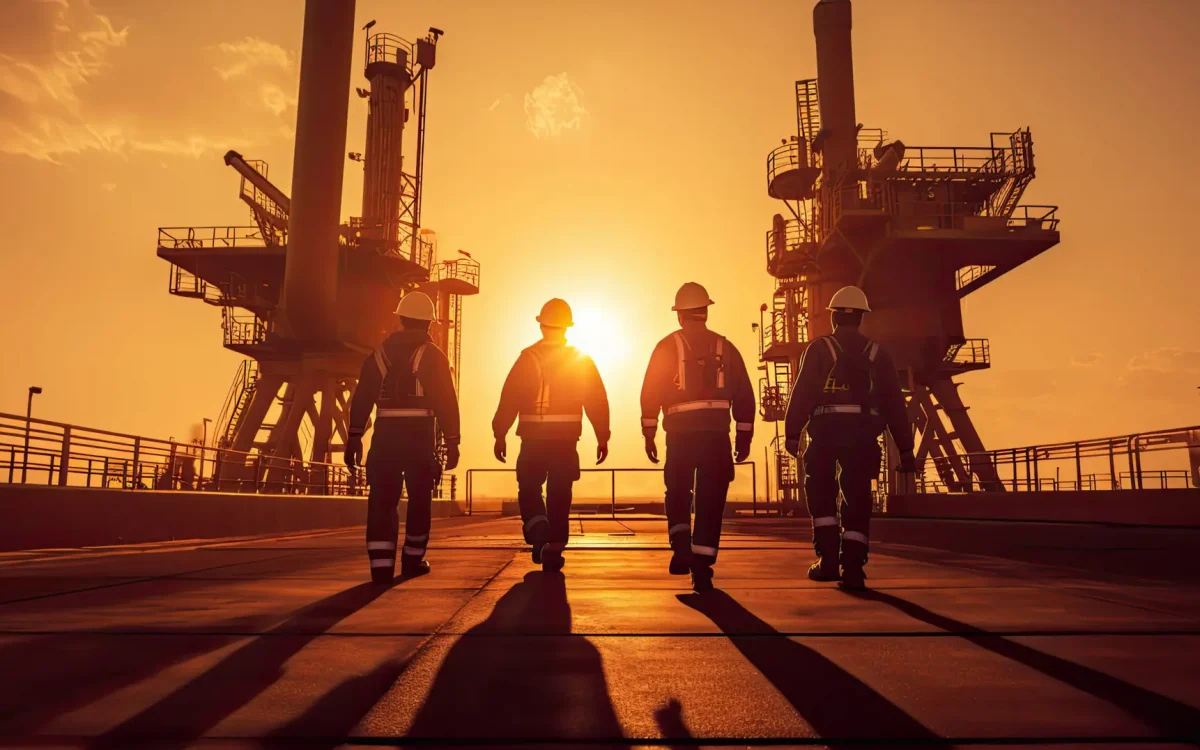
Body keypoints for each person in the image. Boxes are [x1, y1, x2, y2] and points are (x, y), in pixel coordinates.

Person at [783, 285, 914, 590]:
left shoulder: (819, 349)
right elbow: (894, 404)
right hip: (863, 435)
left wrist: (793, 434)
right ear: (861, 317)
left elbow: (803, 392)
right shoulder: (878, 355)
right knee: (857, 497)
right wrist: (906, 449)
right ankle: (853, 567)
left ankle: (828, 561)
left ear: (833, 317)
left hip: (825, 433)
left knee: (821, 494)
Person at [640, 282, 755, 592]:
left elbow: (650, 391)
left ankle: (680, 548)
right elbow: (744, 395)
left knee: (678, 491)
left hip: (679, 437)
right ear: (705, 311)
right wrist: (744, 437)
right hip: (716, 437)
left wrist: (649, 432)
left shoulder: (666, 347)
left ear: (680, 315)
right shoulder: (726, 348)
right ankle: (702, 568)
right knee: (711, 499)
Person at [346, 292, 461, 583]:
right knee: (420, 499)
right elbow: (447, 401)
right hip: (418, 439)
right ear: (429, 323)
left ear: (401, 319)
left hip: (385, 439)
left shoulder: (378, 356)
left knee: (382, 501)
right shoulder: (433, 356)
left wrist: (354, 437)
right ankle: (412, 560)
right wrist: (452, 441)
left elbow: (362, 398)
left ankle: (381, 567)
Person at [492, 298, 610, 572]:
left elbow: (509, 397)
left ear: (542, 325)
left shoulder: (527, 358)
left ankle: (538, 529)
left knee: (529, 488)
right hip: (565, 441)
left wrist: (500, 433)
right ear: (567, 327)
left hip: (533, 439)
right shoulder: (580, 360)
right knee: (560, 494)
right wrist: (602, 436)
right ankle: (553, 551)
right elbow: (596, 400)